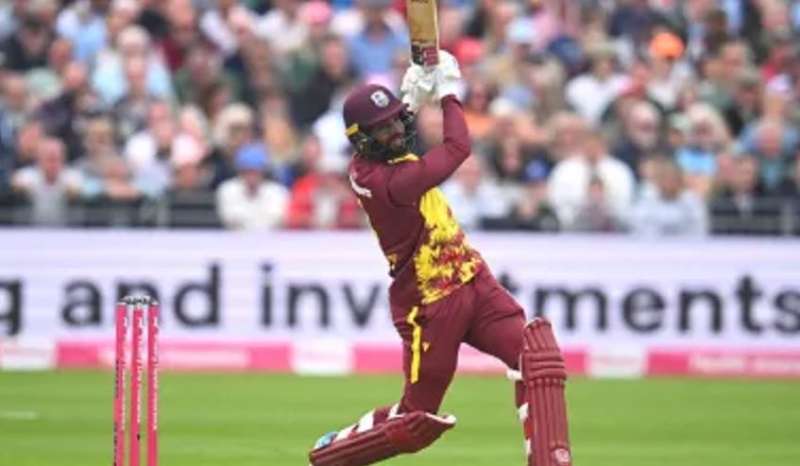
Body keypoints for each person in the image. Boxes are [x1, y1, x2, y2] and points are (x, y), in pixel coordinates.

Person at [307, 51, 573, 466]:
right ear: (361, 139)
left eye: (397, 120)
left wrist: (412, 97)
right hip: (430, 302)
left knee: (538, 360)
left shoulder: (378, 156)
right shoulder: (384, 182)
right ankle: (334, 453)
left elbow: (395, 134)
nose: (396, 132)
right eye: (382, 129)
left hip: (473, 279)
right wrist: (449, 91)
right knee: (416, 421)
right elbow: (458, 147)